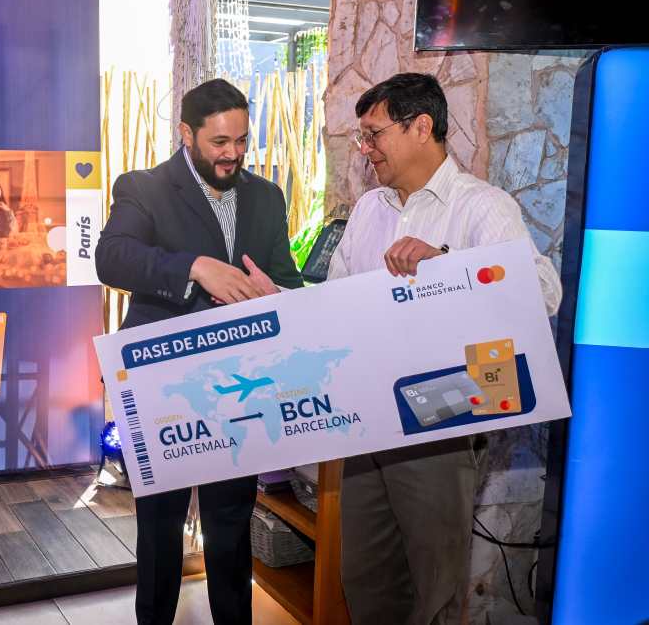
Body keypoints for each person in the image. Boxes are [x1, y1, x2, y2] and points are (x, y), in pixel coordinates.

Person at [328, 72, 562, 625]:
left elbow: (544, 292)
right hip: (368, 419)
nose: (365, 149)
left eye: (374, 134)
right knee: (366, 578)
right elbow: (338, 298)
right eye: (362, 137)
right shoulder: (369, 209)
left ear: (421, 127)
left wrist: (448, 265)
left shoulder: (482, 206)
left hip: (443, 414)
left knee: (433, 586)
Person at [95, 78, 303, 625]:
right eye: (219, 142)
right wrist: (193, 267)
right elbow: (112, 257)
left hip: (239, 386)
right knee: (159, 528)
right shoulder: (144, 187)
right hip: (164, 386)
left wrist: (277, 294)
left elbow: (286, 281)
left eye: (242, 140)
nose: (233, 153)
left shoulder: (266, 196)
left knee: (230, 526)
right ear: (186, 134)